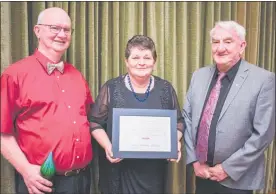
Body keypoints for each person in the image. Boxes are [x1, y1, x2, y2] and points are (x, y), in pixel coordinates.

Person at [1, 7, 94, 194]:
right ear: (37, 30)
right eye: (54, 28)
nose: (61, 34)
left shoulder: (76, 75)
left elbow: (90, 121)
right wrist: (26, 170)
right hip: (42, 184)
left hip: (82, 181)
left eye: (67, 30)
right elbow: (3, 132)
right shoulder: (15, 74)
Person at [183, 20, 275, 194]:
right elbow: (187, 118)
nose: (220, 48)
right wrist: (195, 161)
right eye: (216, 42)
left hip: (237, 179)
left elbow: (263, 134)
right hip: (202, 174)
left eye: (228, 41)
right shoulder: (199, 76)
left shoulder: (263, 80)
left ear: (242, 46)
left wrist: (227, 168)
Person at [90, 35, 184, 194]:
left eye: (147, 57)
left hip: (153, 173)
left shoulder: (165, 89)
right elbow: (94, 122)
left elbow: (179, 122)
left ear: (154, 62)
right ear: (126, 61)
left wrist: (174, 143)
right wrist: (108, 146)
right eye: (135, 57)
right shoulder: (112, 88)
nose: (142, 62)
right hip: (118, 171)